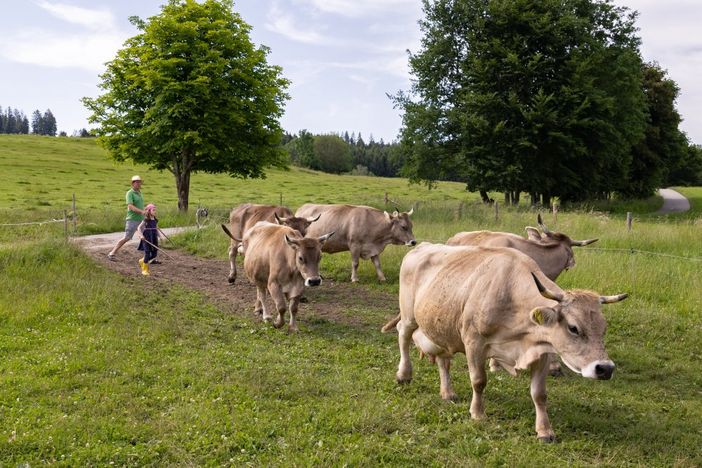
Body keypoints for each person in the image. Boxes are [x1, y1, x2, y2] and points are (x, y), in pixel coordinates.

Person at [107, 175, 145, 261]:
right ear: (133, 183)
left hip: (141, 219)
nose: (139, 184)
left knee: (146, 236)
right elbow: (130, 206)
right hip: (132, 219)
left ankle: (149, 257)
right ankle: (112, 253)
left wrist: (146, 211)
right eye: (137, 182)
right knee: (127, 237)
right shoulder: (130, 193)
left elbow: (140, 205)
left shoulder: (140, 193)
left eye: (140, 182)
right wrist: (142, 211)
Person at [137, 203, 160, 275]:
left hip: (153, 238)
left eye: (155, 210)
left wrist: (159, 236)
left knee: (154, 254)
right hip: (146, 237)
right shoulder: (146, 220)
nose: (155, 211)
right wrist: (141, 236)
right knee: (147, 253)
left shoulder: (155, 220)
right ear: (149, 211)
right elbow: (139, 228)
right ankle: (144, 270)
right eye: (153, 210)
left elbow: (156, 228)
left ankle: (142, 261)